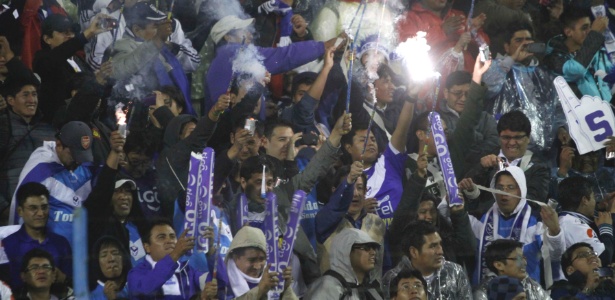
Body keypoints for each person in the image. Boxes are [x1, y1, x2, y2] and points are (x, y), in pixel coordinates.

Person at [468, 166, 565, 285]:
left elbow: (556, 256)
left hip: (527, 294)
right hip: (488, 294)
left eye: (510, 188)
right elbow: (447, 215)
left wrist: (555, 231)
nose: (504, 193)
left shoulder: (537, 220)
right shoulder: (480, 216)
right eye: (500, 188)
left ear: (522, 190)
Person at [8, 121, 97, 247]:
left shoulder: (75, 162)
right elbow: (22, 213)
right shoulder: (40, 171)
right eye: (74, 154)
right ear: (59, 145)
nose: (78, 160)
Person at [340, 82, 417, 226]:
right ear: (349, 148)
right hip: (368, 245)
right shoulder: (343, 179)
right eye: (363, 140)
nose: (370, 143)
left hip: (401, 240)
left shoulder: (388, 161)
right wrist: (358, 210)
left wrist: (411, 98)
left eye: (373, 139)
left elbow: (402, 129)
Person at [482, 22, 564, 154]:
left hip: (541, 151)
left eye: (528, 40)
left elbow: (557, 106)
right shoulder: (496, 67)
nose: (525, 44)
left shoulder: (542, 74)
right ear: (507, 47)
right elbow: (487, 88)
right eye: (518, 40)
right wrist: (512, 59)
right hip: (505, 148)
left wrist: (561, 128)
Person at [110, 2, 198, 115]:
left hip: (177, 112)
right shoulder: (122, 45)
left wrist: (174, 49)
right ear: (137, 30)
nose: (162, 30)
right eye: (156, 26)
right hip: (145, 116)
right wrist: (156, 41)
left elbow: (195, 63)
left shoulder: (165, 45)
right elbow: (121, 69)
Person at [463, 110, 551, 215]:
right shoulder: (482, 156)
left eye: (518, 137)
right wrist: (481, 168)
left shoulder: (539, 167)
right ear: (499, 137)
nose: (512, 143)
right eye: (506, 137)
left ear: (528, 138)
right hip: (482, 223)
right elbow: (465, 190)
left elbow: (534, 204)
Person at [84, 130, 146, 267]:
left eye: (128, 192)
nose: (124, 196)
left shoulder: (139, 227)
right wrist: (115, 152)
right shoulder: (98, 225)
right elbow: (103, 187)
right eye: (118, 191)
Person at [34, 13, 110, 123]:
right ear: (47, 39)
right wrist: (88, 33)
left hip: (85, 122)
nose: (70, 35)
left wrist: (99, 78)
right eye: (64, 32)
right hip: (56, 126)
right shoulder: (42, 59)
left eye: (72, 32)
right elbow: (58, 55)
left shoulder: (76, 58)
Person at [0, 79, 56, 225]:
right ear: (11, 100)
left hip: (45, 212)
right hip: (11, 214)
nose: (32, 100)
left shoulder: (49, 129)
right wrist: (4, 208)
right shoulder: (3, 127)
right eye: (25, 95)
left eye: (34, 94)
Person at [315, 162, 386, 275]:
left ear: (365, 191)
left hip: (368, 291)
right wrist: (348, 181)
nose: (355, 193)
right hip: (334, 291)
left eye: (360, 188)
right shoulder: (325, 221)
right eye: (350, 188)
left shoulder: (376, 222)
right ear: (335, 191)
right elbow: (335, 208)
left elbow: (382, 265)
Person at [0, 182, 72, 290]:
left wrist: (64, 279)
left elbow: (74, 284)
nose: (40, 213)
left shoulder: (61, 243)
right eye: (33, 208)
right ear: (20, 211)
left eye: (44, 207)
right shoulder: (7, 245)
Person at [382, 221, 472, 299]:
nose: (440, 251)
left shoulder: (455, 272)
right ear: (414, 252)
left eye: (440, 244)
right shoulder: (392, 278)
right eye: (433, 246)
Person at [127, 219, 208, 299]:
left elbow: (216, 282)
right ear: (147, 247)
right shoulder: (135, 274)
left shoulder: (188, 271)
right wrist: (174, 255)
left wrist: (211, 250)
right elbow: (145, 289)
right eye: (161, 237)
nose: (169, 241)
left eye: (172, 236)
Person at [544, 9, 612, 101]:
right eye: (584, 28)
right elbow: (576, 70)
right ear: (568, 32)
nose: (589, 32)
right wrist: (595, 35)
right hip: (581, 113)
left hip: (608, 110)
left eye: (590, 27)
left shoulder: (596, 51)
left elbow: (609, 77)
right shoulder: (554, 57)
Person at [437, 70, 499, 167]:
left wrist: (471, 155)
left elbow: (495, 143)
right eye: (457, 93)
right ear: (446, 93)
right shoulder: (437, 119)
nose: (463, 99)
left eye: (468, 94)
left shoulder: (486, 118)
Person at [305, 228, 384, 299]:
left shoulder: (371, 288)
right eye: (366, 248)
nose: (373, 252)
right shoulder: (328, 287)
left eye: (374, 248)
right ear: (345, 250)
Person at [557, 177, 614, 271]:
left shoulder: (568, 219)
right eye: (593, 197)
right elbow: (603, 258)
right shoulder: (573, 225)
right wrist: (606, 227)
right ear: (585, 200)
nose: (595, 202)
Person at [225, 226, 296, 299]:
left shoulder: (271, 276)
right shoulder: (222, 278)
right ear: (236, 258)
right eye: (251, 260)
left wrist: (286, 289)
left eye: (262, 259)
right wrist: (260, 290)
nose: (258, 266)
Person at [474, 239, 550, 299]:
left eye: (523, 258)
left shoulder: (532, 285)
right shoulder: (484, 293)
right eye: (518, 259)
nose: (524, 263)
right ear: (499, 265)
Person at [550, 242, 615, 299]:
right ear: (570, 270)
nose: (592, 256)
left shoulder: (609, 288)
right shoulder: (562, 289)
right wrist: (587, 290)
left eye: (593, 254)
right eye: (583, 255)